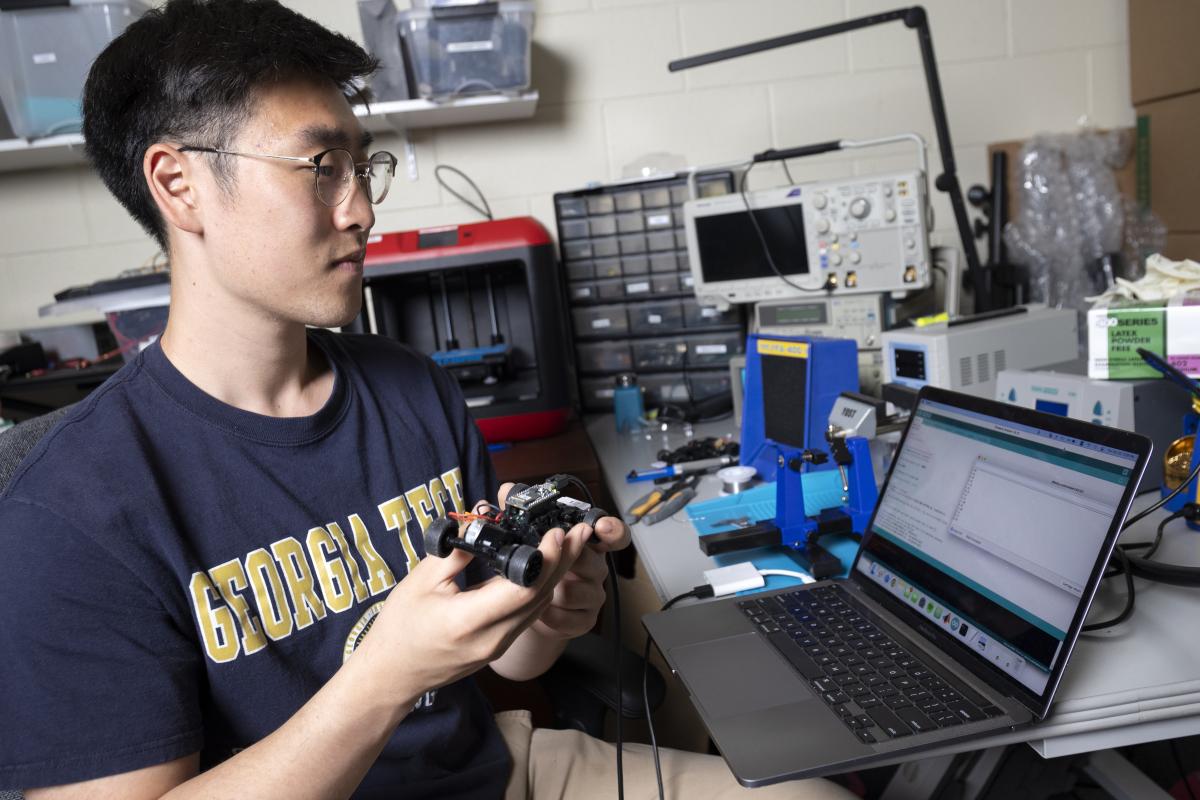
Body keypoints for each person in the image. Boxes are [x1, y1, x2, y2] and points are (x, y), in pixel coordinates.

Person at [0, 2, 854, 798]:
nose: (363, 209)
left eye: (363, 167)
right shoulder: (68, 515)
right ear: (178, 184)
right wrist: (383, 677)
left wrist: (550, 611)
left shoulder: (409, 388)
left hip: (493, 771)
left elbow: (514, 665)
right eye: (320, 167)